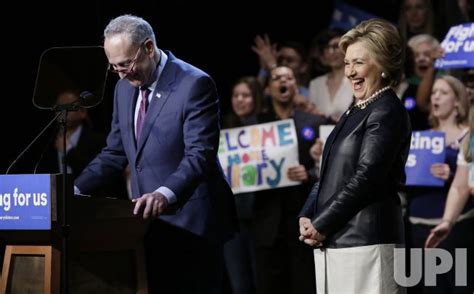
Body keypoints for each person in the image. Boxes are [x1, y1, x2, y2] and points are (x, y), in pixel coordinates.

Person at [74, 14, 237, 294]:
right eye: (114, 67)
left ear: (148, 48)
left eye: (126, 64)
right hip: (145, 227)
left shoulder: (194, 84)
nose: (122, 74)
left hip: (192, 222)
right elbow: (115, 152)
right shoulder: (123, 89)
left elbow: (200, 153)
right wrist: (74, 189)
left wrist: (164, 193)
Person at [298, 19, 411, 294]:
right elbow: (328, 174)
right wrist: (308, 214)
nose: (350, 72)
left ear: (383, 65)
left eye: (358, 63)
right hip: (339, 241)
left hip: (367, 244)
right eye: (347, 63)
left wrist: (321, 223)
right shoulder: (355, 110)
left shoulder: (386, 110)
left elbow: (367, 177)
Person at [252, 65, 326, 294]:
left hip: (303, 219)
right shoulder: (255, 125)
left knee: (304, 283)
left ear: (296, 86)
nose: (282, 81)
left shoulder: (313, 123)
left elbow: (327, 169)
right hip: (267, 223)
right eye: (276, 78)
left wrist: (309, 173)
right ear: (268, 87)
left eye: (288, 77)